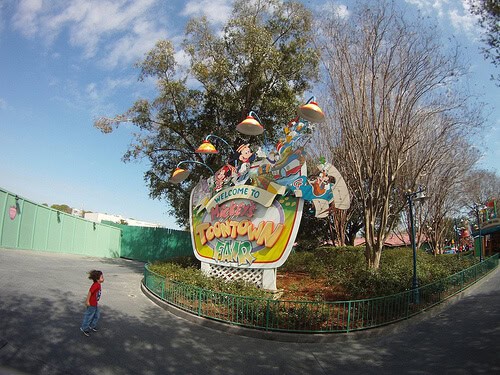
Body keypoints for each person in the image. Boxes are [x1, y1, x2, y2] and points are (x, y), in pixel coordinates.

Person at [80, 270, 104, 336]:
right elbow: (90, 292)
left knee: (97, 315)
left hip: (95, 303)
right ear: (97, 279)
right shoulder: (95, 285)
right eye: (102, 277)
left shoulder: (98, 284)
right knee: (88, 316)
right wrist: (87, 301)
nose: (103, 278)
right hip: (91, 304)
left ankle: (92, 325)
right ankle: (84, 328)